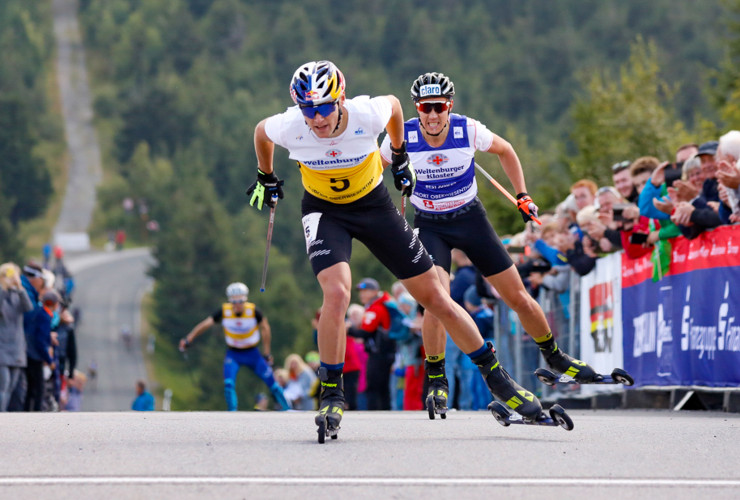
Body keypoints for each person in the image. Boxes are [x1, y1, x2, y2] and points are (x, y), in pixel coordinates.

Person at [249, 61, 544, 438]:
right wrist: (266, 175)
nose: (317, 118)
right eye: (308, 110)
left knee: (436, 298)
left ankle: (500, 381)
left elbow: (395, 106)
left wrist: (400, 156)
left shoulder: (365, 115)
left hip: (374, 208)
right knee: (337, 294)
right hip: (324, 212)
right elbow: (261, 132)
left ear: (340, 99)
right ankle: (331, 394)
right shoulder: (291, 125)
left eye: (324, 107)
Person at [379, 72, 602, 416]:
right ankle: (436, 379)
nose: (433, 115)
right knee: (438, 300)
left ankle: (554, 356)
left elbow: (506, 150)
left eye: (440, 107)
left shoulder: (466, 129)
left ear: (449, 106)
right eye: (426, 107)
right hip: (430, 224)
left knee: (517, 297)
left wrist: (522, 194)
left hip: (470, 219)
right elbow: (371, 172)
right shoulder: (402, 136)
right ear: (417, 108)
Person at [179, 282, 290, 411]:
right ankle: (232, 412)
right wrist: (189, 339)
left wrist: (267, 353)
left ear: (245, 300)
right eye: (234, 303)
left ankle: (287, 409)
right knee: (228, 384)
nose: (237, 305)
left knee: (272, 384)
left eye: (240, 302)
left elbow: (266, 329)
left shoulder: (253, 311)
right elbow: (205, 325)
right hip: (234, 354)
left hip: (252, 353)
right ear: (230, 301)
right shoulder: (224, 311)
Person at [0, 263, 33, 411]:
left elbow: (28, 308)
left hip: (17, 347)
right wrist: (4, 288)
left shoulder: (17, 295)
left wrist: (19, 287)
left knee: (11, 387)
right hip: (2, 348)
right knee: (3, 384)